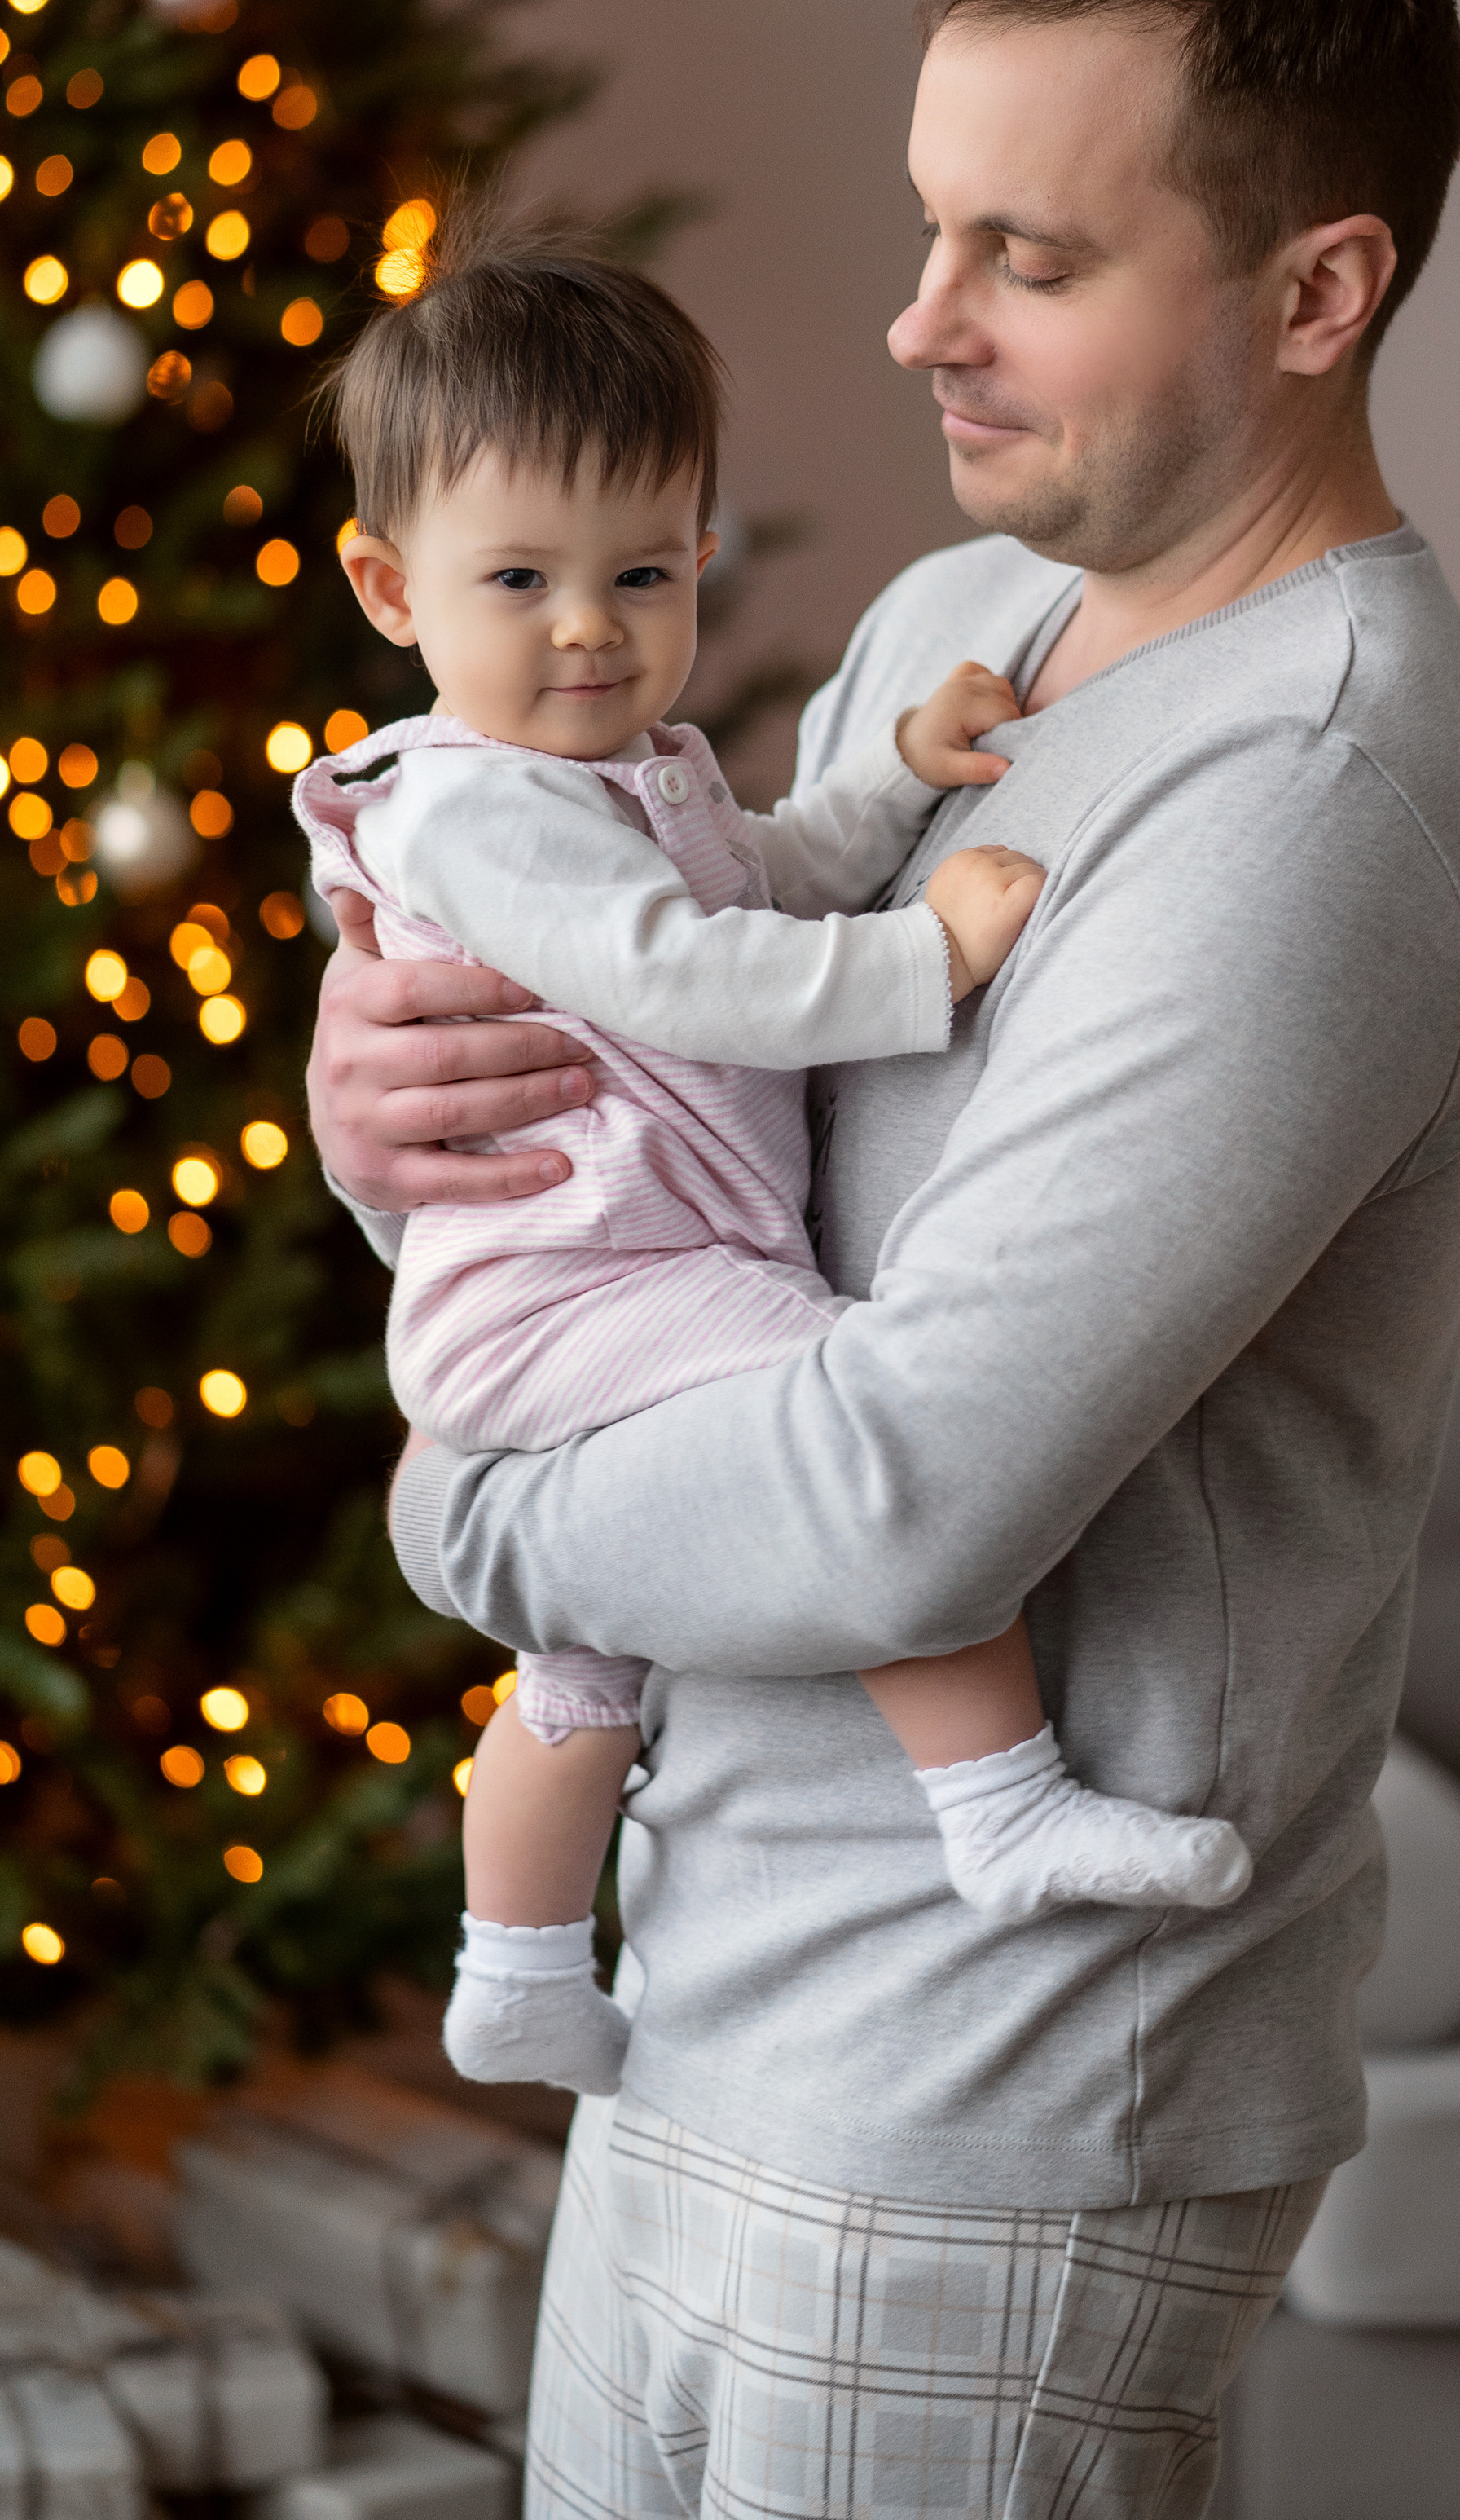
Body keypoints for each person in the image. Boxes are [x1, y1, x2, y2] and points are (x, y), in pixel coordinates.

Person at [310, 0, 1460, 2519]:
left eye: (1030, 255)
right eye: (926, 229)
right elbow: (672, 1118)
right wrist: (384, 1121)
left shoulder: (1315, 795)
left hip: (985, 2118)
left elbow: (895, 1509)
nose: (917, 328)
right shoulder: (953, 633)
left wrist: (467, 1509)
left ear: (1318, 291)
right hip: (722, 2001)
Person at [292, 221, 1253, 2100]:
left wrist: (899, 775)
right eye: (520, 579)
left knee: (580, 1675)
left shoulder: (621, 767)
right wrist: (934, 959)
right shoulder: (478, 807)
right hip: (577, 1287)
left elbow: (758, 874)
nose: (590, 624)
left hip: (588, 1279)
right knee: (849, 1420)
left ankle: (516, 1973)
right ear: (389, 587)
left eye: (641, 571)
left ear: (698, 554)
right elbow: (689, 969)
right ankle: (996, 1803)